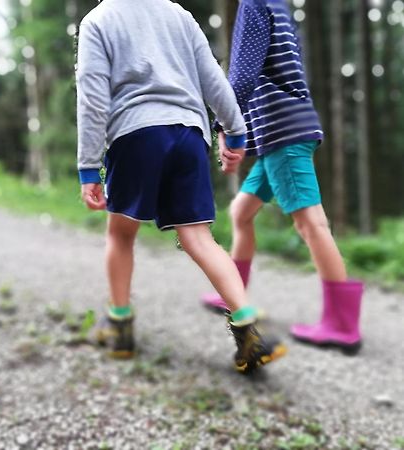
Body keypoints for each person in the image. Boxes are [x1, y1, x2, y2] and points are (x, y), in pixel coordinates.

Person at [76, 0, 287, 372]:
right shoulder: (179, 15)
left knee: (121, 233)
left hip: (135, 133)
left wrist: (89, 168)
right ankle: (249, 328)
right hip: (189, 135)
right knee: (199, 238)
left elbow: (93, 99)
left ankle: (120, 327)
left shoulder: (99, 20)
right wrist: (235, 131)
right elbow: (211, 78)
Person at [201, 0, 363, 354]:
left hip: (283, 134)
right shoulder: (278, 5)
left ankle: (342, 325)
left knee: (310, 224)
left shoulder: (255, 3)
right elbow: (277, 75)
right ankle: (234, 291)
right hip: (280, 132)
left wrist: (226, 126)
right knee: (241, 211)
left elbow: (244, 72)